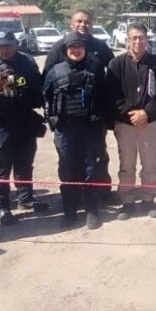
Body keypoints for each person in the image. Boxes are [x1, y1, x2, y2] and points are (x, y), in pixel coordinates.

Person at [43, 9, 117, 205]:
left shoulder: (100, 46)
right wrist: (51, 116)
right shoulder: (58, 47)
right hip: (66, 117)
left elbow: (112, 73)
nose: (83, 25)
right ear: (71, 23)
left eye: (87, 22)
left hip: (94, 115)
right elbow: (47, 83)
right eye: (79, 21)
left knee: (98, 156)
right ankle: (72, 198)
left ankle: (101, 193)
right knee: (69, 160)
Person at [0, 30, 45, 227]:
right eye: (1, 46)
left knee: (25, 162)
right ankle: (2, 206)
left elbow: (38, 88)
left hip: (25, 119)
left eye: (8, 45)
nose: (5, 50)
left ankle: (26, 199)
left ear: (16, 45)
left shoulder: (27, 62)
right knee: (1, 166)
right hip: (1, 124)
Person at [44, 31, 108, 229]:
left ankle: (92, 211)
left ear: (85, 50)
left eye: (79, 47)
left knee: (91, 170)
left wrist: (101, 119)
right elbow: (46, 97)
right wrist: (51, 120)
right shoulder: (55, 71)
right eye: (72, 47)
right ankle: (69, 213)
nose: (76, 50)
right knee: (67, 170)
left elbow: (104, 95)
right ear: (65, 50)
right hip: (65, 130)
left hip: (89, 128)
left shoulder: (95, 68)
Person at [107, 22, 156, 220]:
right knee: (127, 163)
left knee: (150, 163)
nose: (138, 42)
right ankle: (127, 202)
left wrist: (147, 113)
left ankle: (149, 199)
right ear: (127, 41)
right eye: (133, 38)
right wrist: (131, 114)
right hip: (125, 123)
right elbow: (112, 94)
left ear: (147, 40)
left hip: (149, 123)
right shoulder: (116, 65)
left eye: (141, 38)